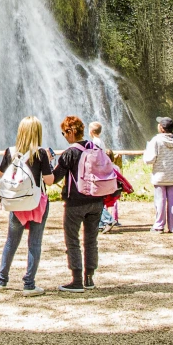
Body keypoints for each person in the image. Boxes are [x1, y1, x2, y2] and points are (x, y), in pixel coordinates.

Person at [0, 116, 54, 296]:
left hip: (17, 203)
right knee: (34, 243)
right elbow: (49, 181)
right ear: (38, 132)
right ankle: (29, 285)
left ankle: (1, 280)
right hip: (36, 203)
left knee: (11, 242)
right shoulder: (41, 153)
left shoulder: (10, 151)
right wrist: (49, 162)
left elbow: (1, 173)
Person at [52, 115, 109, 292]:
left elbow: (55, 178)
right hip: (97, 201)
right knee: (91, 241)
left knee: (73, 240)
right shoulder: (96, 148)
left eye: (64, 133)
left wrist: (46, 162)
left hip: (75, 203)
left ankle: (76, 280)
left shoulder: (70, 153)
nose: (64, 136)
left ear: (71, 132)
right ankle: (89, 279)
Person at [144, 117, 173, 233]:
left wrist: (145, 154)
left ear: (161, 128)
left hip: (159, 176)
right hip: (172, 175)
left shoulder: (156, 140)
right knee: (172, 201)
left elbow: (150, 159)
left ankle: (159, 225)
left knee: (160, 201)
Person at [89, 121, 119, 232]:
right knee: (96, 199)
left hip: (97, 173)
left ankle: (108, 219)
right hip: (101, 172)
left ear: (91, 131)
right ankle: (101, 223)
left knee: (94, 200)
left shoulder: (95, 142)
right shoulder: (100, 141)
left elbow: (95, 157)